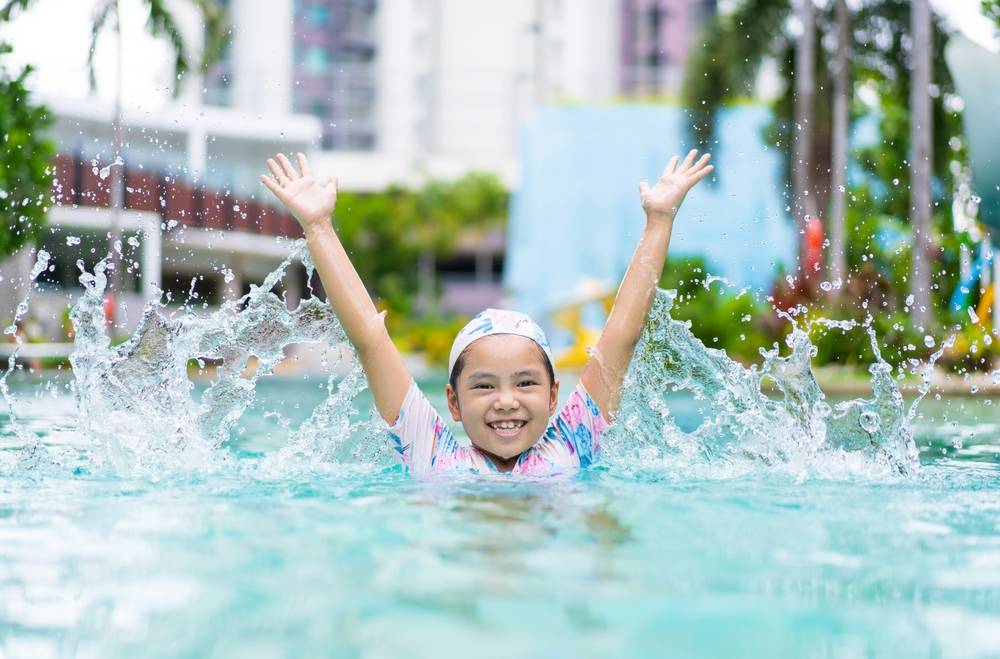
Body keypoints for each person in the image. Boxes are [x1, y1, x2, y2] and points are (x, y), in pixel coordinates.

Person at [261, 150, 712, 475]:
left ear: (554, 396)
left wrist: (659, 222)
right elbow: (370, 339)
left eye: (526, 383)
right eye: (483, 386)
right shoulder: (433, 454)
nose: (506, 401)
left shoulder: (575, 443)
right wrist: (318, 227)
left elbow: (619, 340)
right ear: (453, 402)